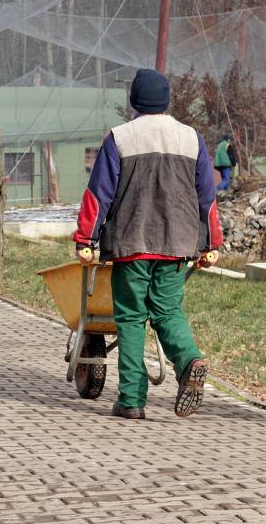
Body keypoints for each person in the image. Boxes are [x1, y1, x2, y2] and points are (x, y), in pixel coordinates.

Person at [74, 68, 223, 421]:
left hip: (132, 243)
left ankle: (131, 400)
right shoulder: (191, 138)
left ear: (134, 102)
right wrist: (212, 243)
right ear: (167, 100)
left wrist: (85, 239)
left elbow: (99, 194)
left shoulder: (120, 138)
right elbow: (207, 197)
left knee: (129, 319)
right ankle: (189, 361)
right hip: (178, 244)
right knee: (168, 312)